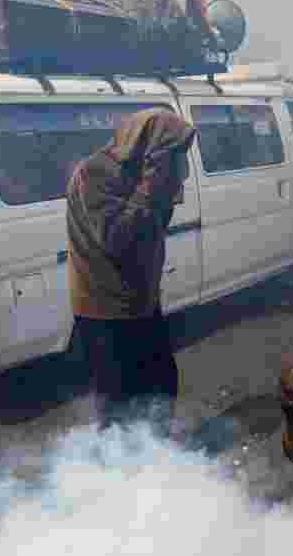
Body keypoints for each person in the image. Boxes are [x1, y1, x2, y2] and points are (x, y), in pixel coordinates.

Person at [66, 108, 196, 437]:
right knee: (118, 401)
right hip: (104, 308)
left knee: (161, 384)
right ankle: (117, 472)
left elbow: (153, 230)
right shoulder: (93, 174)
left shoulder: (147, 172)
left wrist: (165, 188)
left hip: (142, 302)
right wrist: (150, 186)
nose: (177, 167)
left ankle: (156, 454)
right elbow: (118, 239)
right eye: (172, 157)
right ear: (148, 147)